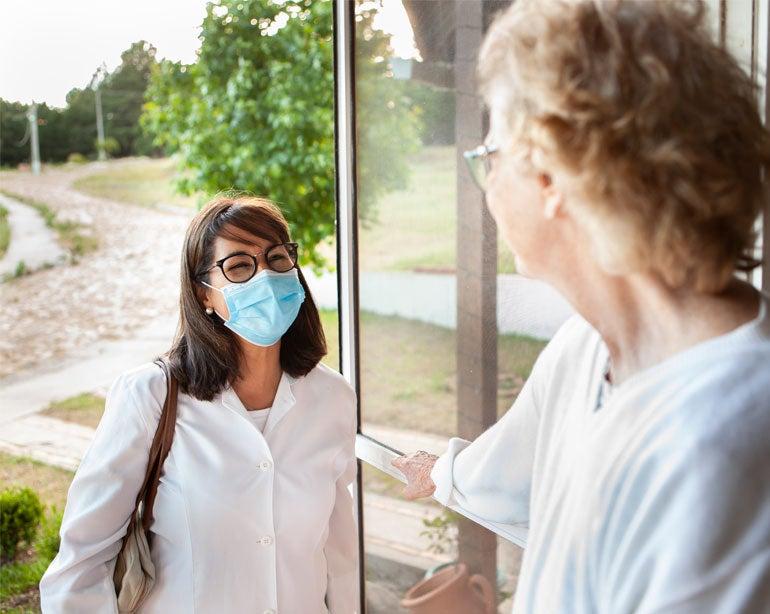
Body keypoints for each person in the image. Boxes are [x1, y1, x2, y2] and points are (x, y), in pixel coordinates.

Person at [393, 1, 770, 612]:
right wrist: (439, 472)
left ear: (551, 176)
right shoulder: (586, 347)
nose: (487, 191)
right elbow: (502, 473)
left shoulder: (722, 450)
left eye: (490, 159)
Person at [40, 196, 358, 613]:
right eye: (240, 266)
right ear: (202, 293)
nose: (265, 277)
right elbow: (80, 563)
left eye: (277, 258)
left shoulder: (332, 397)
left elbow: (340, 557)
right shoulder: (151, 395)